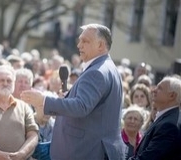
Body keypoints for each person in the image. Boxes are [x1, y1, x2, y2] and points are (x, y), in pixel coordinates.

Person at [21, 23, 126, 159]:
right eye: (79, 40)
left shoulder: (97, 71)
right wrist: (69, 97)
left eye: (85, 41)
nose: (79, 45)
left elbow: (81, 107)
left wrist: (43, 100)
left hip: (86, 151)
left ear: (101, 45)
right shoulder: (106, 67)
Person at [129, 76, 181, 160]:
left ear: (172, 95)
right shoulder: (167, 118)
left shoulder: (169, 125)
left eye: (159, 88)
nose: (153, 90)